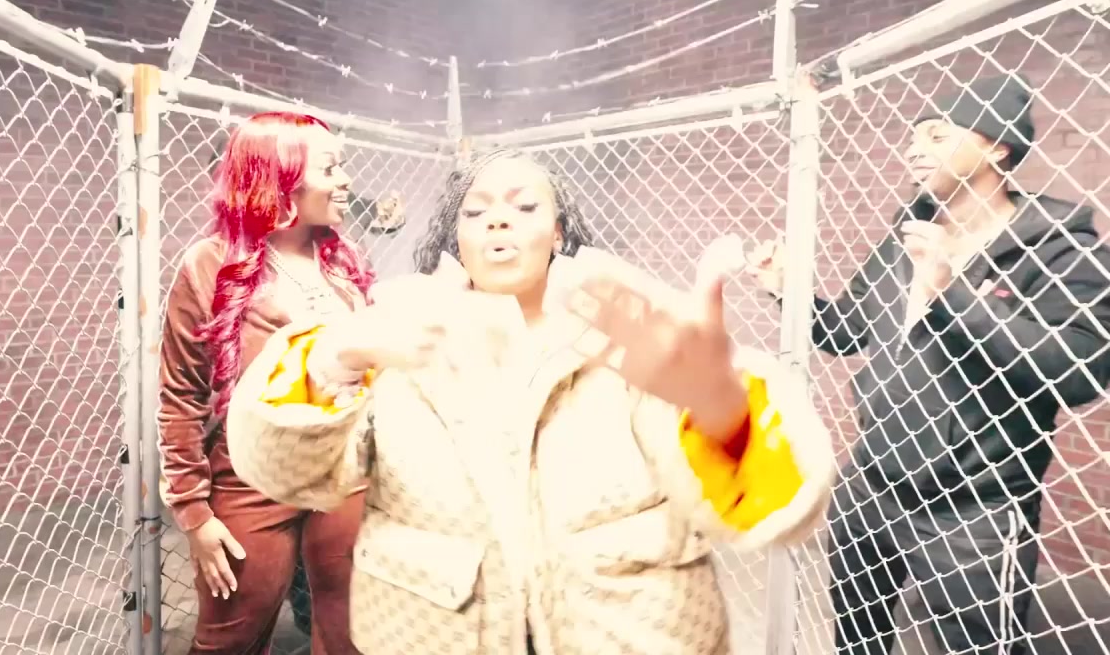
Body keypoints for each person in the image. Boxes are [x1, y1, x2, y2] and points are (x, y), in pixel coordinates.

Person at [225, 148, 836, 654]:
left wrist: (717, 400)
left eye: (524, 206)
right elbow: (287, 474)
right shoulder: (397, 333)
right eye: (476, 211)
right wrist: (336, 359)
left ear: (558, 232)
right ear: (457, 237)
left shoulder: (630, 342)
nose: (499, 221)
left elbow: (765, 511)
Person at [749, 73, 1110, 654]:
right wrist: (789, 292)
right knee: (856, 638)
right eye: (914, 137)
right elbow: (845, 332)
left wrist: (951, 294)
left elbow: (1083, 370)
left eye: (938, 136)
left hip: (975, 507)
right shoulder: (908, 234)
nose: (914, 149)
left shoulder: (1059, 247)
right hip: (872, 483)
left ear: (996, 146)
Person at [158, 111, 368, 654]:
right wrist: (195, 515)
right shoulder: (210, 263)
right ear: (281, 176)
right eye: (330, 168)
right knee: (231, 639)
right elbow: (179, 397)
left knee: (350, 633)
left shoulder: (342, 261)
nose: (346, 180)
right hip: (251, 473)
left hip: (342, 468)